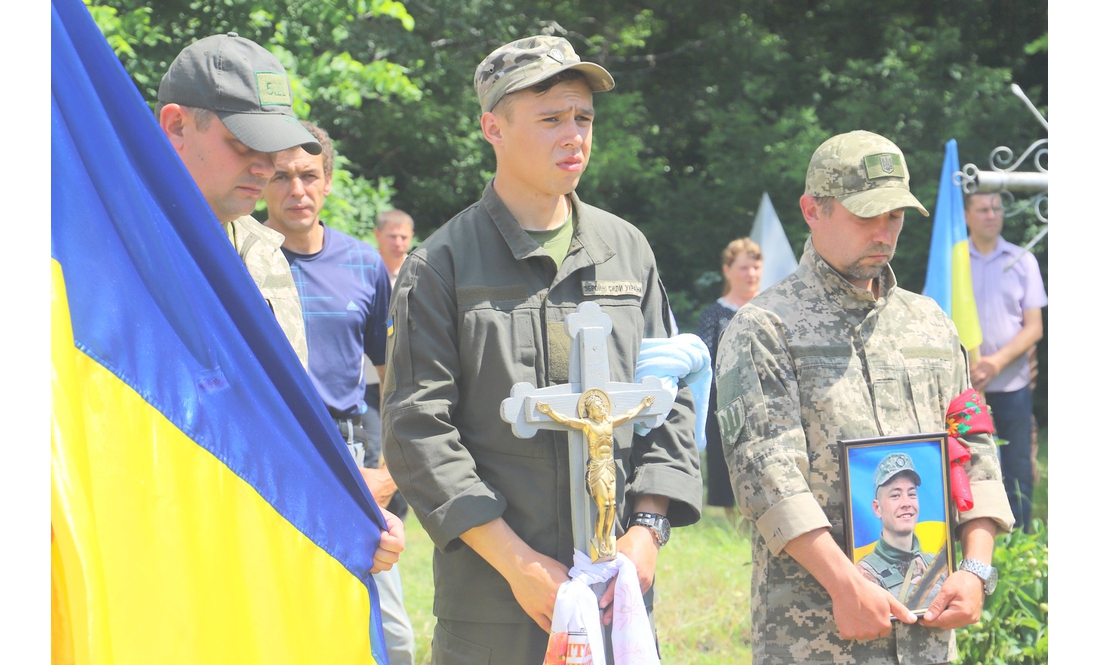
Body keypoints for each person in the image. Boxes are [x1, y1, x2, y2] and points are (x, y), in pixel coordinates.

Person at [381, 35, 702, 663]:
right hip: (496, 605)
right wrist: (519, 563)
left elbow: (669, 394)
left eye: (583, 117)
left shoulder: (626, 249)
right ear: (492, 127)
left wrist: (649, 528)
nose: (574, 135)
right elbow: (418, 431)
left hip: (618, 593)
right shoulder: (442, 264)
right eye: (551, 118)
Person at [714, 130, 1014, 664]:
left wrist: (976, 568)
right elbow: (766, 476)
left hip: (926, 626)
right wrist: (845, 586)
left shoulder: (931, 324)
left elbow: (974, 446)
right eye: (865, 215)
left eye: (895, 216)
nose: (883, 232)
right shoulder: (765, 327)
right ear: (812, 210)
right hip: (817, 631)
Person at [156, 33, 402, 575]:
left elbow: (285, 416)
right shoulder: (111, 243)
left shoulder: (264, 254)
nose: (266, 168)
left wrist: (348, 508)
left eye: (275, 150)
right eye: (246, 144)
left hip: (257, 544)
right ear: (176, 126)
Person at [262, 121, 414, 663]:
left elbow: (401, 382)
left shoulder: (364, 264)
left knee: (390, 632)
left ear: (327, 181)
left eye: (307, 175)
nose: (295, 190)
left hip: (348, 458)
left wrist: (388, 473)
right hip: (268, 458)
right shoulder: (240, 259)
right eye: (280, 176)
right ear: (261, 181)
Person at [965, 192, 1047, 531]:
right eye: (983, 209)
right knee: (970, 470)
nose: (992, 215)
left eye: (997, 208)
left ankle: (1019, 538)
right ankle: (975, 542)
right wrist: (969, 364)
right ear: (967, 215)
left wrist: (995, 362)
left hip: (1012, 386)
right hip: (966, 387)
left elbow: (1034, 328)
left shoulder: (1022, 260)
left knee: (1016, 470)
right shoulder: (952, 260)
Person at [695, 238, 763, 526]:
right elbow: (706, 362)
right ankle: (737, 527)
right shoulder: (714, 314)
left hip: (768, 401)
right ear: (727, 270)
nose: (751, 274)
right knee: (728, 468)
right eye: (744, 267)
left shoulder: (770, 309)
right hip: (725, 403)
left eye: (756, 267)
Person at [856, 453, 945, 607]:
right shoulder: (863, 574)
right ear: (877, 508)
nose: (906, 503)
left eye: (911, 494)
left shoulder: (936, 564)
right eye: (895, 495)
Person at [374, 209, 415, 287]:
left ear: (411, 236)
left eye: (404, 237)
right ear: (377, 235)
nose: (398, 244)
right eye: (392, 236)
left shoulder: (417, 272)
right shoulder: (363, 269)